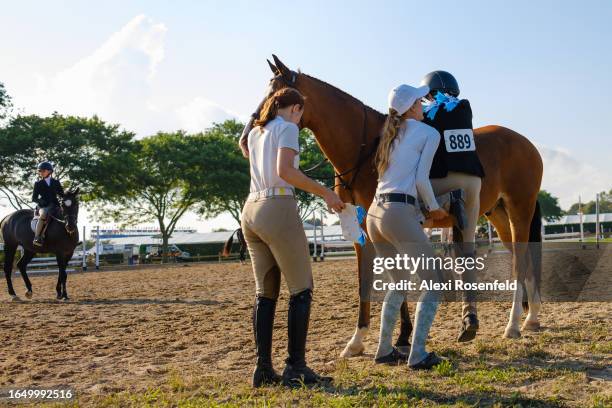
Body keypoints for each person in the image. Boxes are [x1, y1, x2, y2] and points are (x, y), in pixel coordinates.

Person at [241, 87, 345, 387]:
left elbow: (242, 143)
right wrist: (326, 193)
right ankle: (295, 367)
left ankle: (262, 369)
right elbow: (285, 171)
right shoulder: (287, 128)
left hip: (250, 209)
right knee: (301, 289)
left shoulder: (257, 133)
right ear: (296, 109)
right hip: (277, 206)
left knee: (265, 293)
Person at [367, 84, 447, 368]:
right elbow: (422, 180)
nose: (424, 105)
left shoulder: (391, 133)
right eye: (420, 101)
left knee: (398, 283)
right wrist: (435, 208)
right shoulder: (429, 133)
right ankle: (419, 353)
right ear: (413, 107)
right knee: (435, 283)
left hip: (375, 214)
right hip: (399, 212)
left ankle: (384, 350)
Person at [420, 71, 485, 342]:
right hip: (473, 182)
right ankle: (469, 310)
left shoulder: (427, 112)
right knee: (466, 247)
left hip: (442, 180)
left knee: (409, 215)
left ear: (430, 93)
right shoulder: (465, 107)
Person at [31, 161, 64, 246]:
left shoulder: (56, 182)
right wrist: (41, 201)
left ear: (49, 171)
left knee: (68, 215)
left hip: (55, 205)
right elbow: (34, 198)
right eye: (40, 171)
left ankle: (72, 237)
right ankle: (37, 237)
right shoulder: (38, 184)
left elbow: (62, 194)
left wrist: (68, 197)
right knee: (43, 215)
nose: (41, 172)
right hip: (43, 206)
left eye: (43, 170)